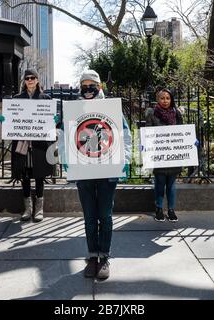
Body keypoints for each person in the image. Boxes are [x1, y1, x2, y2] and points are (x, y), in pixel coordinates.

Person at [58, 70, 132, 280]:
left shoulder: (111, 108)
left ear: (99, 86)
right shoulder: (73, 109)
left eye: (92, 85)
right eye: (84, 85)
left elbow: (124, 135)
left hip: (107, 170)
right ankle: (92, 256)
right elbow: (65, 138)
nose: (88, 89)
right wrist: (65, 160)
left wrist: (124, 160)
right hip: (84, 171)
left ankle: (104, 256)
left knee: (105, 217)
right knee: (90, 217)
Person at [3, 69, 54, 222]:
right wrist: (4, 119)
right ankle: (27, 208)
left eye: (33, 78)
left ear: (37, 80)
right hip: (22, 143)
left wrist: (55, 119)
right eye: (27, 78)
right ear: (24, 81)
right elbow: (11, 119)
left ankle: (39, 208)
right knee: (24, 175)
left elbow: (52, 122)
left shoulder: (46, 98)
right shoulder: (17, 99)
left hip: (39, 144)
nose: (30, 80)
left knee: (39, 175)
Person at [145, 89, 184, 222]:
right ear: (158, 99)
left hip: (173, 155)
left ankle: (171, 209)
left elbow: (182, 132)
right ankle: (159, 209)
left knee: (172, 184)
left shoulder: (176, 113)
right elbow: (148, 132)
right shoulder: (152, 114)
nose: (165, 101)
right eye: (162, 98)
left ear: (171, 99)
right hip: (159, 154)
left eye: (168, 98)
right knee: (160, 183)